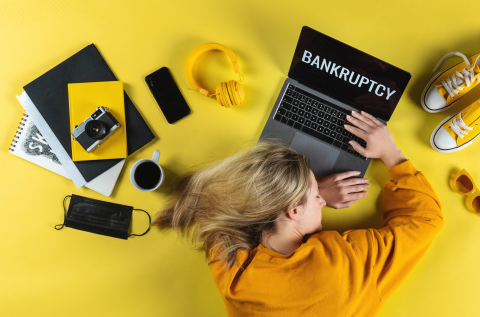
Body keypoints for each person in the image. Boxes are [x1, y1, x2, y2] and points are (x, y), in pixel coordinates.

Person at [154, 111, 443, 316]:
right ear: (292, 210)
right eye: (316, 193)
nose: (321, 200)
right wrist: (392, 153)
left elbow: (224, 213)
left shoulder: (233, 271)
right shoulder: (347, 262)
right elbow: (425, 221)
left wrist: (311, 201)